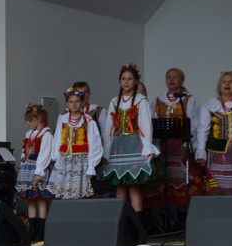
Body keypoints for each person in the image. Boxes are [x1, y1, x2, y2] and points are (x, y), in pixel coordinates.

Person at [101, 63, 161, 229]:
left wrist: (147, 147)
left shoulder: (141, 100)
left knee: (133, 186)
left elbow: (145, 125)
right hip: (118, 147)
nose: (126, 82)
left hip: (134, 145)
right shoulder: (114, 101)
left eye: (130, 79)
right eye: (123, 79)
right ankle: (121, 225)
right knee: (120, 188)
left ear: (136, 81)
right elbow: (109, 128)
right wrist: (106, 151)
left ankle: (138, 226)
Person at [148, 67, 207, 228]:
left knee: (182, 183)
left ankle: (182, 224)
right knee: (165, 185)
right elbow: (152, 123)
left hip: (180, 147)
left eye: (175, 77)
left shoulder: (188, 99)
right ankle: (165, 225)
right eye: (169, 77)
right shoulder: (158, 100)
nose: (171, 80)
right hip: (164, 147)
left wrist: (188, 143)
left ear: (182, 80)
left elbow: (194, 123)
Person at [52, 86, 103, 200]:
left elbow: (95, 145)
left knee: (79, 194)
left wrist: (91, 167)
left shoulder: (89, 121)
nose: (74, 104)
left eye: (77, 101)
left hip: (81, 162)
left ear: (82, 103)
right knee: (64, 194)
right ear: (66, 104)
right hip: (64, 161)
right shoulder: (63, 119)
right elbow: (57, 140)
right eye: (71, 102)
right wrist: (56, 160)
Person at [15, 103, 54, 243]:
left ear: (39, 118)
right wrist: (23, 162)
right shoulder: (29, 134)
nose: (28, 123)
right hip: (28, 168)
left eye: (31, 120)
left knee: (40, 199)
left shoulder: (46, 134)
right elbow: (24, 151)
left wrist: (39, 172)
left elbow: (45, 154)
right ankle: (32, 231)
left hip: (38, 169)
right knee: (30, 200)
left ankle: (41, 232)